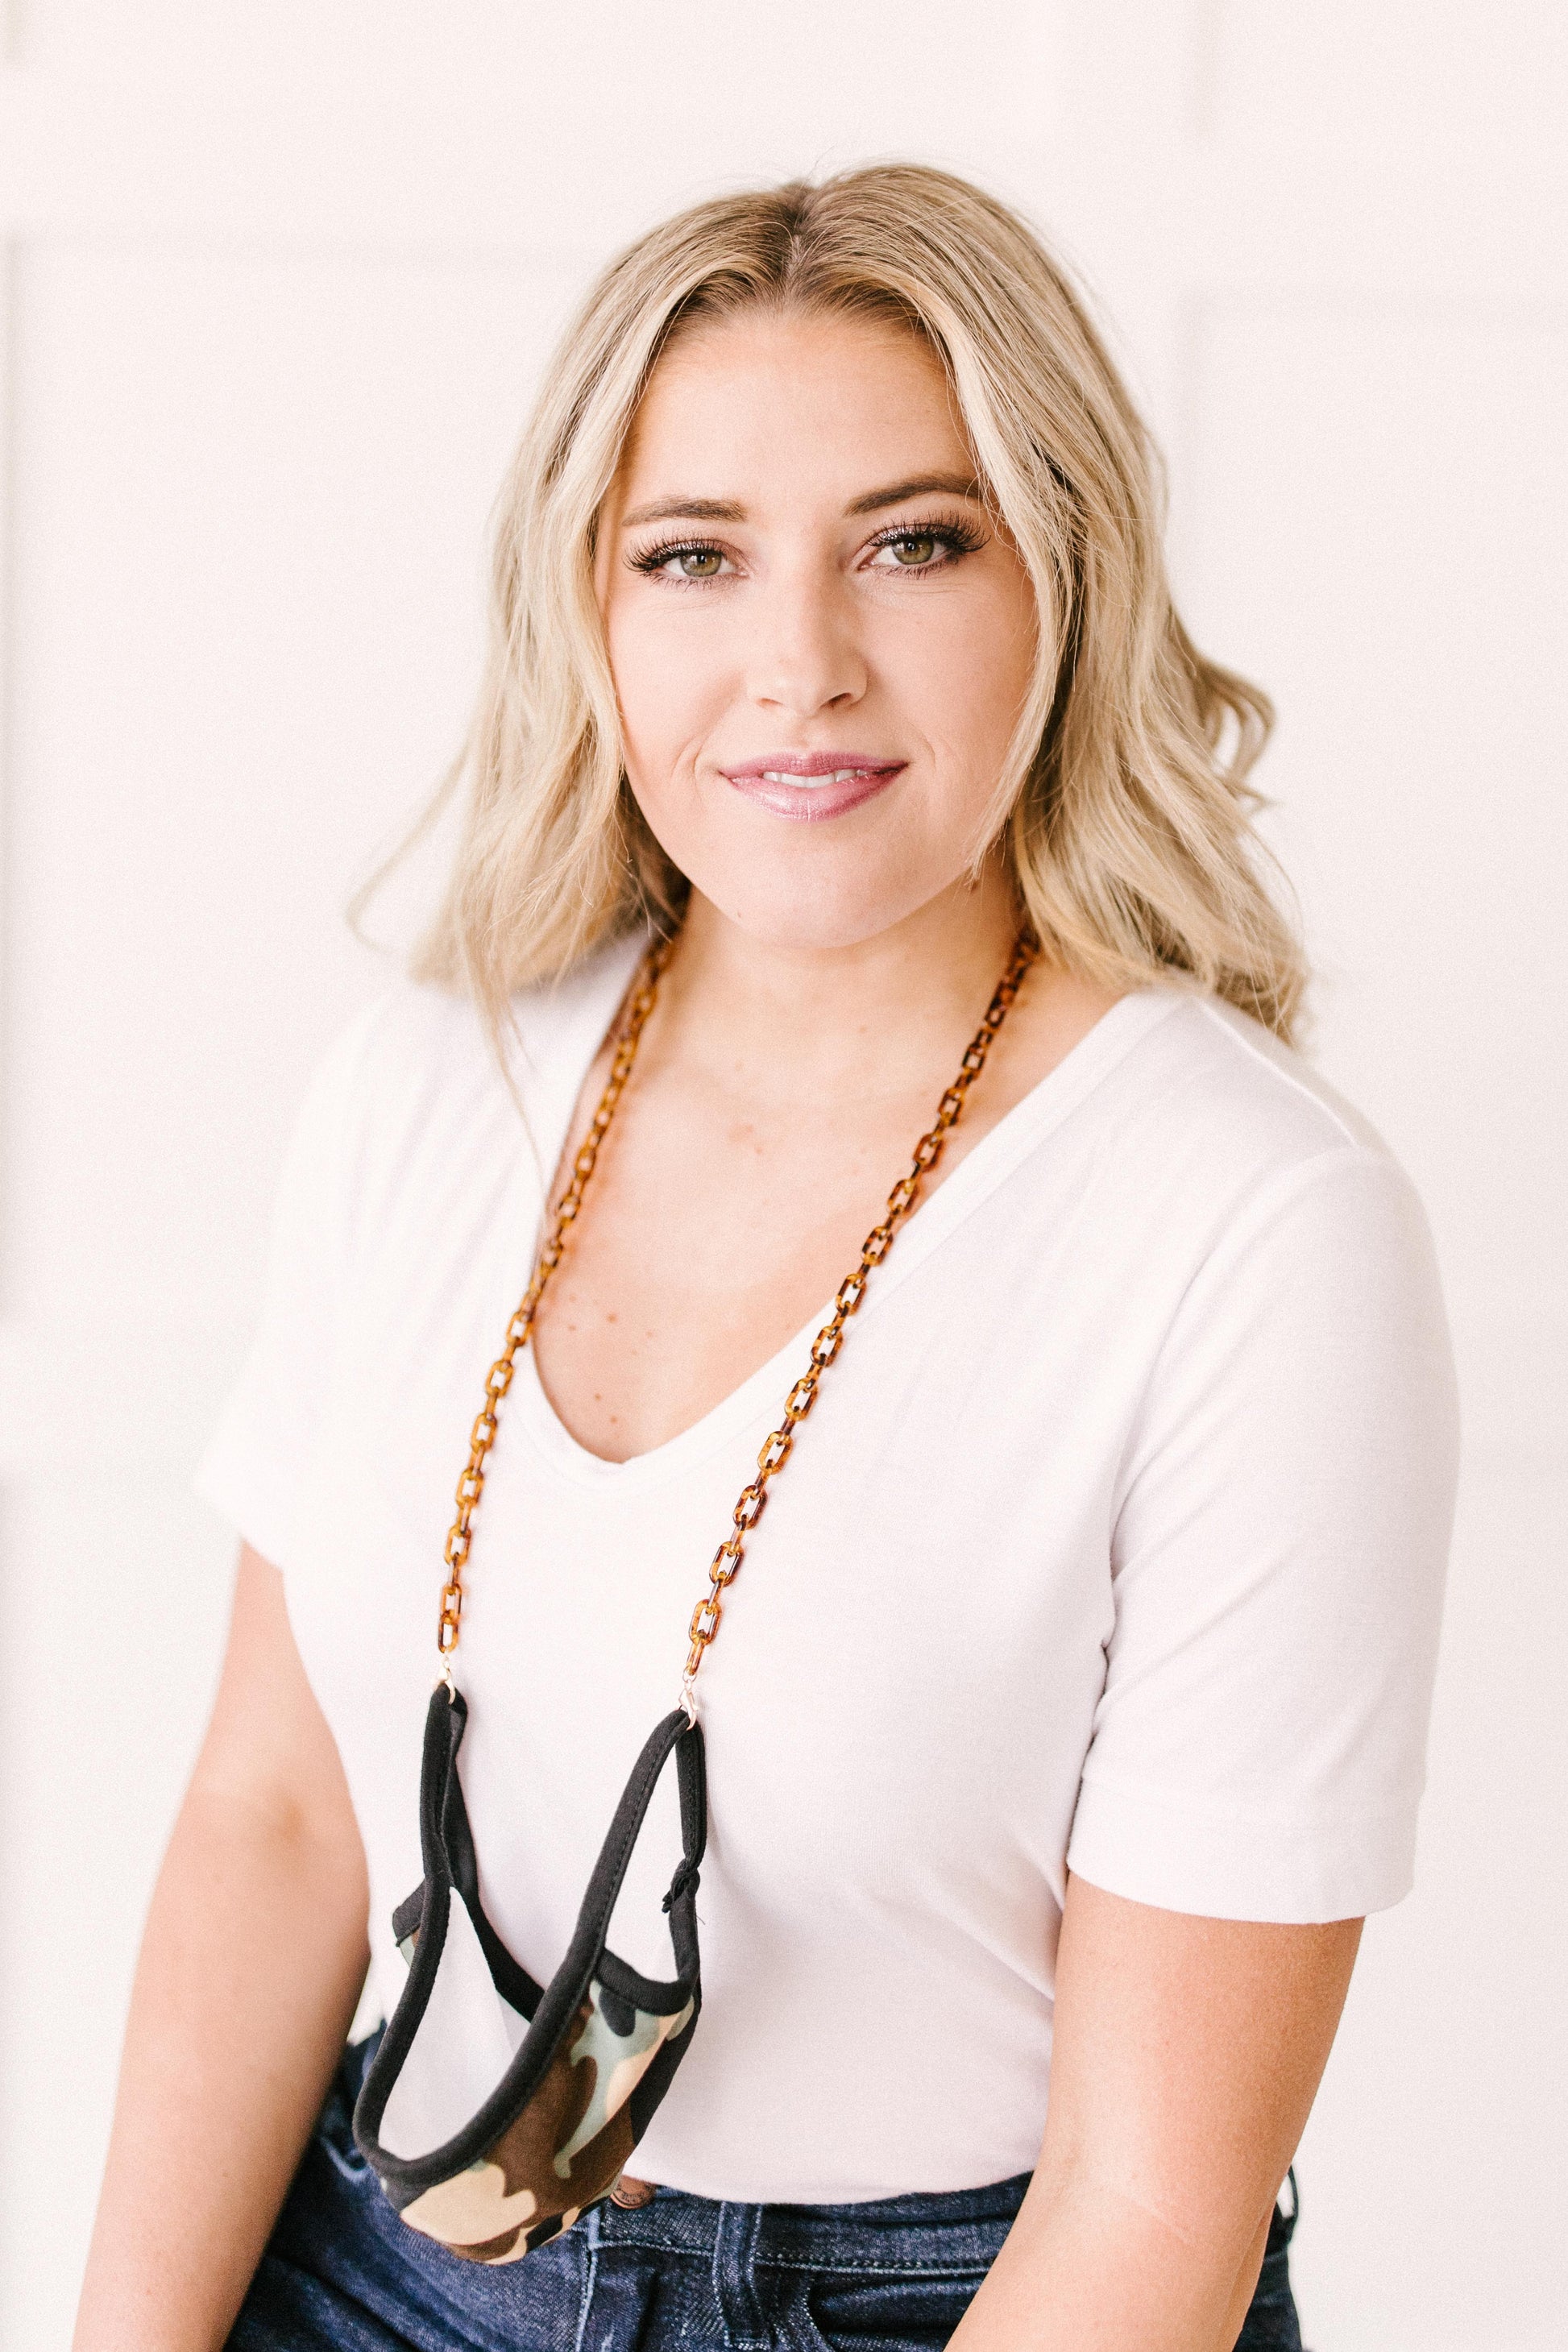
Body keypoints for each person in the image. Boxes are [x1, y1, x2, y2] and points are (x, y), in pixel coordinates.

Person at [73, 165, 1458, 2352]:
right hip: (385, 2249)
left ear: (1065, 576)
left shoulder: (1254, 1231)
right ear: (589, 607)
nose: (797, 666)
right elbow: (276, 1820)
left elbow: (1144, 2207)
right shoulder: (431, 1083)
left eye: (915, 543)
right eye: (693, 556)